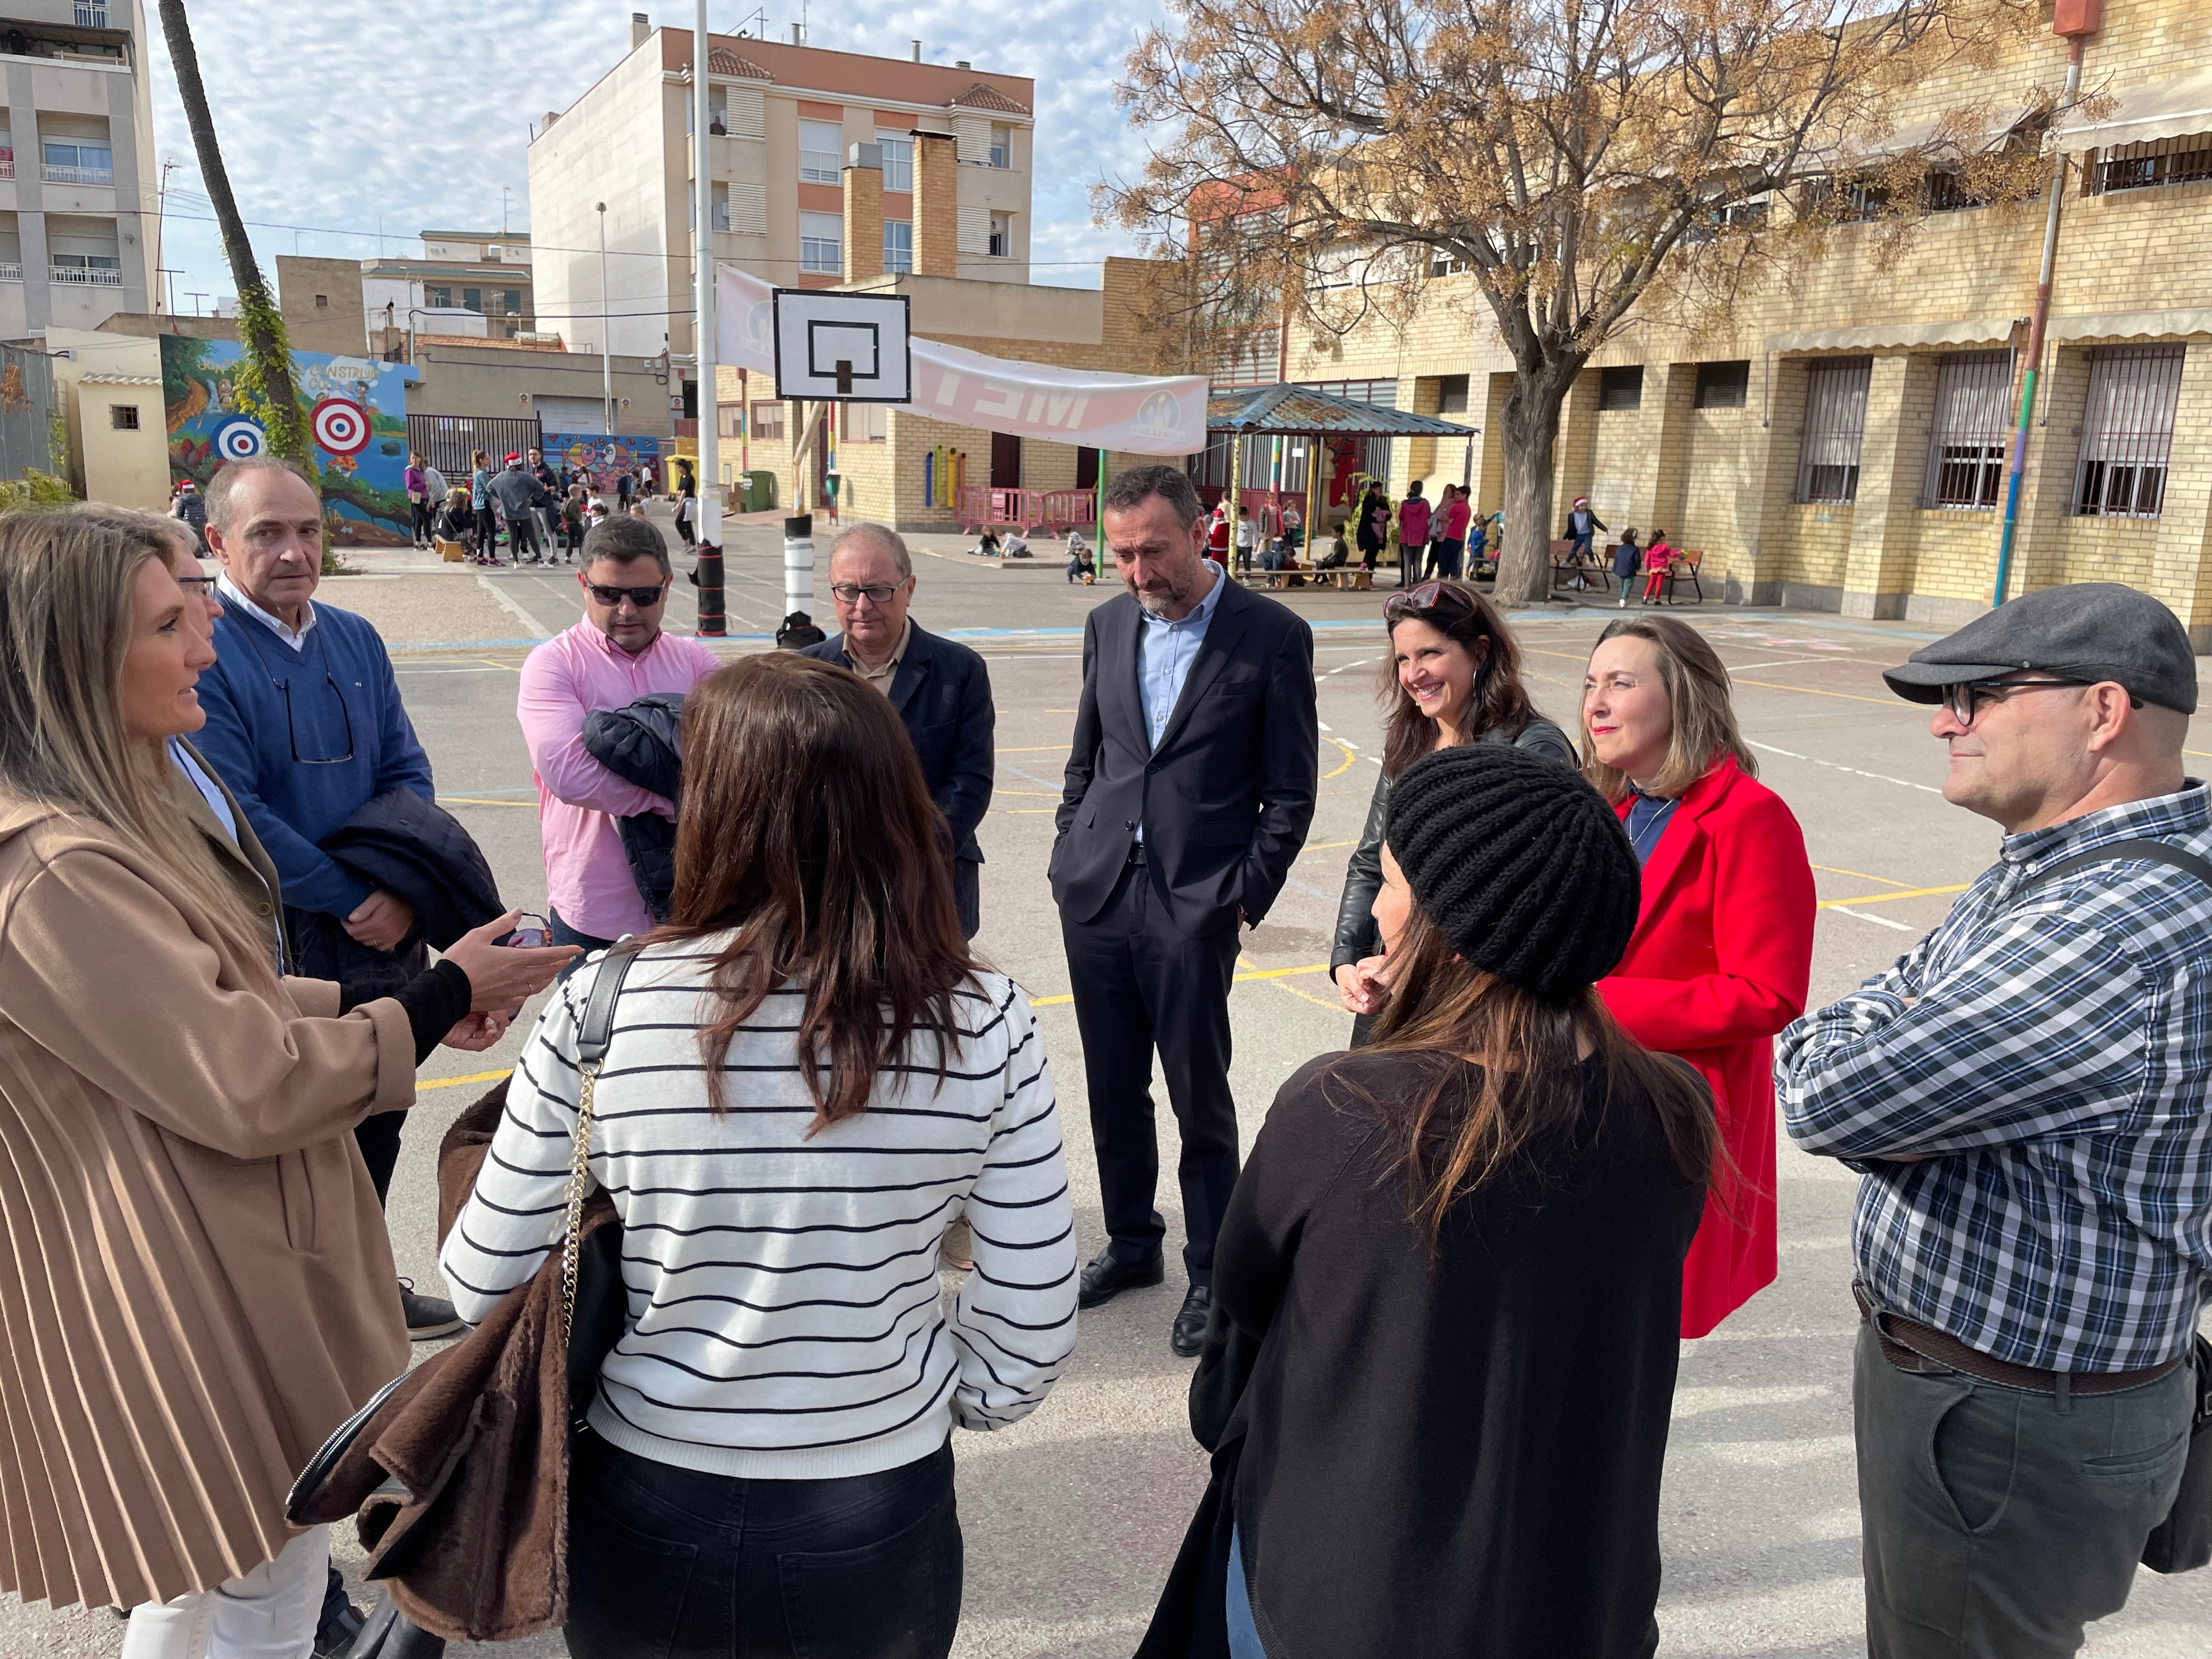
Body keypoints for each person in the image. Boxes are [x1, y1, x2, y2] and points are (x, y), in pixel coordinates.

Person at [0, 504, 569, 1659]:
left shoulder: (104, 813)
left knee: (227, 1569)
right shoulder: (55, 865)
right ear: (74, 654)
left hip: (207, 1242)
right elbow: (244, 1076)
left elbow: (210, 1005)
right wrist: (435, 998)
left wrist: (410, 1003)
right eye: (171, 623)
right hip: (183, 1271)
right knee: (253, 1565)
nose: (208, 646)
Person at [443, 653, 1076, 1659]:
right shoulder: (982, 1016)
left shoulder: (605, 1003)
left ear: (714, 807)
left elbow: (484, 1284)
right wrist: (933, 1395)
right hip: (876, 1497)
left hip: (647, 1483)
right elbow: (1032, 1311)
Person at [1137, 743, 1716, 1659]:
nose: (1373, 905)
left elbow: (1243, 1306)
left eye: (1391, 883)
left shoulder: (1342, 1106)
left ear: (1450, 932)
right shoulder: (1674, 1105)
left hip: (1344, 1596)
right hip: (1574, 1595)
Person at [1778, 585, 2212, 1659]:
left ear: (2102, 712)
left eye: (1976, 695)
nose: (1945, 720)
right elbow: (1863, 1032)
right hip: (2009, 1396)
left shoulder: (2115, 928)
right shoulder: (2073, 868)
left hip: (2006, 1424)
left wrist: (1897, 1078)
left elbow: (1824, 1089)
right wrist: (1910, 1072)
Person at [189, 456, 464, 1341]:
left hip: (387, 921)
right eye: (266, 533)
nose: (294, 551)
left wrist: (401, 889)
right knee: (303, 1117)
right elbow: (238, 810)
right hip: (286, 930)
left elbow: (406, 772)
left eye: (307, 530)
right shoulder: (207, 651)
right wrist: (355, 894)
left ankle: (366, 1284)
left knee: (383, 1102)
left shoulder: (354, 638)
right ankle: (299, 1313)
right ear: (217, 543)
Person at [1053, 464, 1319, 1356]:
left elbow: (1290, 791)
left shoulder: (1270, 635)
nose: (1136, 570)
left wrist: (1241, 897)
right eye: (1121, 552)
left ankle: (1214, 1270)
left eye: (1152, 550)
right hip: (1097, 893)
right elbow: (1087, 757)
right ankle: (1134, 1244)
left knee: (1198, 1096)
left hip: (1195, 902)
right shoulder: (1106, 623)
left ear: (1204, 530)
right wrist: (1069, 851)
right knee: (1110, 1085)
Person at [1582, 614, 1815, 1336]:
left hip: (1670, 1101)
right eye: (1590, 684)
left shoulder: (1751, 818)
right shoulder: (1610, 806)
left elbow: (1767, 993)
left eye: (1620, 684)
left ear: (1682, 698)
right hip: (1585, 1087)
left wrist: (1591, 1007)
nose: (1595, 703)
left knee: (1635, 1320)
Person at [1332, 580, 1575, 1045]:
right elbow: (1370, 860)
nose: (1413, 673)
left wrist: (1413, 963)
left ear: (1480, 653)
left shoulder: (1533, 749)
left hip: (1475, 1002)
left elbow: (1517, 896)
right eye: (1403, 659)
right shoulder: (1410, 742)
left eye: (1430, 654)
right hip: (1393, 981)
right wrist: (1348, 958)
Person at [518, 515, 720, 958]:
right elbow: (569, 774)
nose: (627, 610)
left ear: (668, 587)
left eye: (644, 595)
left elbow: (737, 758)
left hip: (693, 903)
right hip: (595, 909)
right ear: (582, 584)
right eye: (609, 594)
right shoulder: (554, 665)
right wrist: (679, 796)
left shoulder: (698, 663)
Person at [799, 522, 996, 939]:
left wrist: (913, 857)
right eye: (848, 591)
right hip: (833, 894)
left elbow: (970, 782)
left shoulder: (960, 671)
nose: (862, 605)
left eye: (878, 590)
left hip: (933, 888)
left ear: (909, 589)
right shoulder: (806, 672)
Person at [492, 453, 558, 566]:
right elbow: (539, 488)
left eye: (535, 454)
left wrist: (537, 495)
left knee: (548, 530)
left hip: (542, 505)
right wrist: (532, 497)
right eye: (531, 454)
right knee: (533, 533)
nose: (533, 456)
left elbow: (555, 486)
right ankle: (537, 557)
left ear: (540, 456)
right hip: (528, 507)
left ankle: (553, 556)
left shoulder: (546, 471)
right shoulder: (527, 473)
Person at [1431, 483, 1471, 581]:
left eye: (1458, 495)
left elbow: (1445, 518)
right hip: (1459, 538)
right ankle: (1454, 581)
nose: (1456, 497)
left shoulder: (1457, 507)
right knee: (1453, 561)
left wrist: (1445, 508)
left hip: (1451, 537)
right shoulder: (1467, 508)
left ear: (1464, 495)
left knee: (1443, 560)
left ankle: (1443, 581)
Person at [469, 448, 499, 566]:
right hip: (484, 504)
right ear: (481, 460)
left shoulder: (479, 473)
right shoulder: (481, 474)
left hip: (479, 505)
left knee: (481, 532)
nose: (489, 460)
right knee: (491, 532)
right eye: (487, 458)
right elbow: (489, 488)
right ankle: (492, 558)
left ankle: (480, 557)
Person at [1397, 480, 1431, 580]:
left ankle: (1407, 586)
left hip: (1407, 536)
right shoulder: (1425, 504)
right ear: (1421, 490)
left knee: (1407, 563)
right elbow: (1428, 517)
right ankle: (1418, 585)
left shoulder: (1405, 504)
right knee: (1418, 561)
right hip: (1421, 536)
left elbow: (1401, 517)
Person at [1564, 494, 1607, 569]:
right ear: (1577, 507)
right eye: (1581, 506)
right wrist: (1566, 535)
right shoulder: (1572, 516)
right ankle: (1567, 562)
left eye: (1585, 506)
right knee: (1574, 549)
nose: (1583, 508)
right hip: (1579, 535)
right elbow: (1571, 527)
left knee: (1588, 548)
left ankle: (1592, 562)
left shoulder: (1589, 514)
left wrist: (1604, 528)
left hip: (1587, 534)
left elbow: (1596, 522)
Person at [1355, 482, 1389, 575]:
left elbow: (1389, 515)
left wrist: (1383, 515)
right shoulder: (1369, 500)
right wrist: (1379, 515)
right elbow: (1367, 516)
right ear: (1373, 490)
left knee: (1373, 553)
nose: (1381, 491)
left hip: (1380, 531)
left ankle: (1365, 570)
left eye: (1382, 489)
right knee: (1370, 552)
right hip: (1370, 531)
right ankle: (1367, 574)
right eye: (1379, 489)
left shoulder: (1383, 501)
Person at [167, 476, 208, 552]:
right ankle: (206, 552)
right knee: (202, 536)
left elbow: (180, 510)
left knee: (191, 536)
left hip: (189, 519)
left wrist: (178, 518)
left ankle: (194, 552)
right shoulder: (199, 497)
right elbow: (203, 508)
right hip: (201, 519)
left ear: (184, 490)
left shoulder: (182, 499)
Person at [403, 451, 432, 549]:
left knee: (419, 521)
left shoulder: (420, 471)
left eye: (417, 458)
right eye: (413, 458)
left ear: (420, 459)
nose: (415, 460)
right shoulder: (410, 471)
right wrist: (424, 485)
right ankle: (430, 542)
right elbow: (410, 486)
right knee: (426, 519)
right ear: (410, 460)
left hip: (423, 497)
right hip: (415, 497)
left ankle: (418, 542)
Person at [1640, 528, 1677, 604]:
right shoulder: (1665, 547)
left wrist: (1648, 569)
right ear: (1662, 538)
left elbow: (1647, 560)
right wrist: (1683, 552)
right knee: (1659, 584)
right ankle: (1656, 599)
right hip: (1662, 570)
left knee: (1651, 584)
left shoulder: (1651, 547)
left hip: (1653, 570)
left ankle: (1645, 598)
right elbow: (1673, 555)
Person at [1612, 526, 1644, 605]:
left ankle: (1622, 597)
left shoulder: (1620, 548)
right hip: (1630, 570)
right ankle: (1624, 598)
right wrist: (1638, 567)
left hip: (1620, 569)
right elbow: (1637, 560)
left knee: (1622, 584)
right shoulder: (1635, 549)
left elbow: (1616, 558)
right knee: (1628, 584)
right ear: (1634, 538)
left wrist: (1614, 569)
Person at [673, 476, 697, 549]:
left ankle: (689, 542)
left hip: (689, 502)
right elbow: (680, 491)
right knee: (687, 524)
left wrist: (679, 504)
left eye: (680, 468)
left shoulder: (690, 478)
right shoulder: (682, 478)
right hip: (684, 502)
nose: (679, 469)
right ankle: (691, 543)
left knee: (680, 522)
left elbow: (684, 492)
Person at [1233, 505, 1257, 574]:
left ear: (1247, 515)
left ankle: (1247, 577)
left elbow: (1256, 534)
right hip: (1238, 545)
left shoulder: (1253, 523)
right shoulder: (1237, 522)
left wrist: (1255, 545)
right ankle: (1234, 575)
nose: (1241, 519)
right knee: (1235, 562)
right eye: (1239, 517)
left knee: (1247, 562)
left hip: (1248, 546)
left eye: (1242, 517)